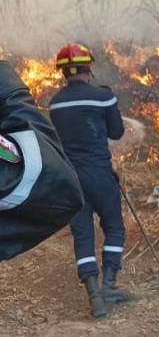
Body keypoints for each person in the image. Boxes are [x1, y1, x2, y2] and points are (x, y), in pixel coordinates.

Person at [49, 43, 131, 318]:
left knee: (83, 234)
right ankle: (109, 285)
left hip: (72, 180)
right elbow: (117, 133)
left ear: (63, 73)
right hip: (100, 174)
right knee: (115, 227)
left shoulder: (55, 104)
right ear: (88, 69)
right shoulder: (103, 98)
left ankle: (94, 295)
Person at [0, 60, 83, 260]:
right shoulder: (103, 97)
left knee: (84, 230)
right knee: (111, 224)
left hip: (64, 161)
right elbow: (60, 190)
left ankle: (92, 278)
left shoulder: (58, 102)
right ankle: (105, 282)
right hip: (73, 167)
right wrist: (11, 92)